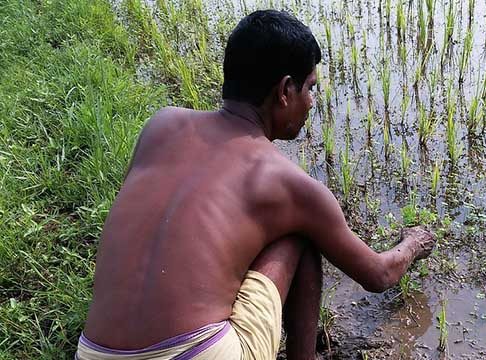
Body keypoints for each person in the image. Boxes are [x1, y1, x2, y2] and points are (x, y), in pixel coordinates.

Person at [76, 9, 435, 360]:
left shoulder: (161, 125)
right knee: (301, 235)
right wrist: (414, 244)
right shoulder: (289, 185)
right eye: (310, 88)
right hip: (197, 353)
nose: (311, 102)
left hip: (93, 351)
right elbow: (378, 274)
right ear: (284, 91)